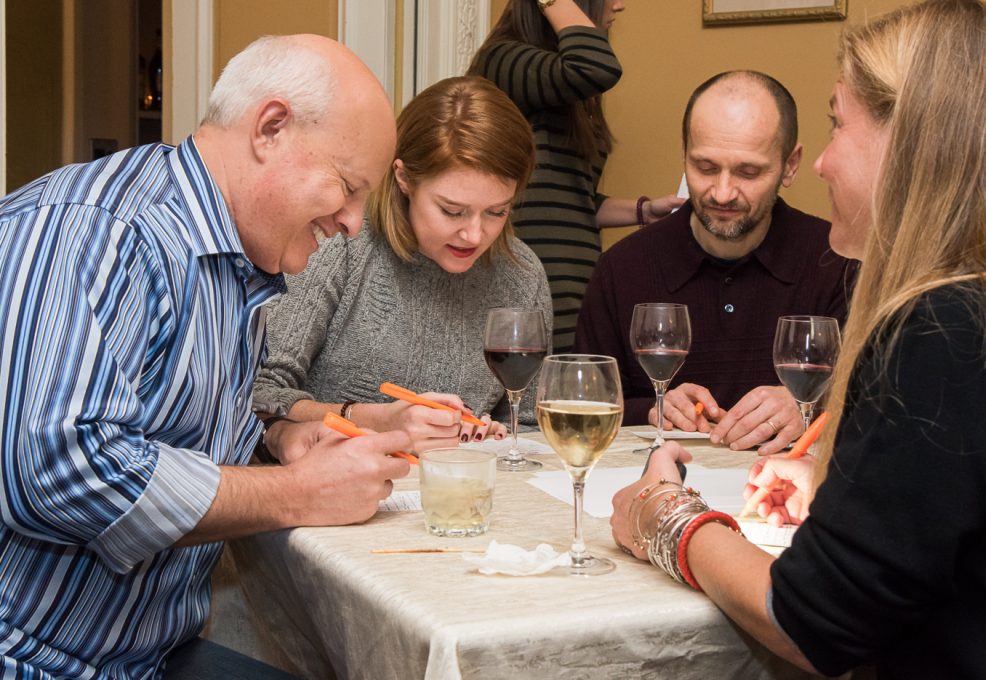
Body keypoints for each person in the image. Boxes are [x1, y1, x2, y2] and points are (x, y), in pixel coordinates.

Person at [0, 35, 407, 678]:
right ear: (270, 128)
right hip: (36, 659)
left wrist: (279, 439)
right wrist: (295, 494)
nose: (355, 223)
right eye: (347, 187)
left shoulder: (238, 266)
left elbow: (169, 436)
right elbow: (56, 472)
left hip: (148, 654)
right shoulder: (100, 227)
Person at [611, 1, 986, 676]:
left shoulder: (941, 326)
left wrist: (666, 515)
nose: (822, 165)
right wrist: (844, 481)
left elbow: (814, 623)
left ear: (909, 144)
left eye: (839, 124)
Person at [252, 76, 552, 461]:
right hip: (334, 495)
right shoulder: (340, 243)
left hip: (458, 498)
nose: (475, 234)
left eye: (497, 211)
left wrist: (492, 433)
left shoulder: (521, 272)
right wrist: (375, 421)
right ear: (404, 178)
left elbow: (526, 424)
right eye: (452, 210)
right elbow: (260, 394)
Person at [575, 70, 857, 455]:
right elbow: (582, 406)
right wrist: (653, 409)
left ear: (790, 165)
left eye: (748, 172)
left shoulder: (837, 262)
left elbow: (884, 400)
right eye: (705, 167)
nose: (722, 193)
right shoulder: (622, 268)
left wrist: (813, 406)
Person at [467, 0, 684, 353]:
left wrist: (643, 211)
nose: (620, 5)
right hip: (523, 281)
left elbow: (572, 199)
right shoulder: (503, 62)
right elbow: (596, 64)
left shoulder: (561, 88)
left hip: (574, 286)